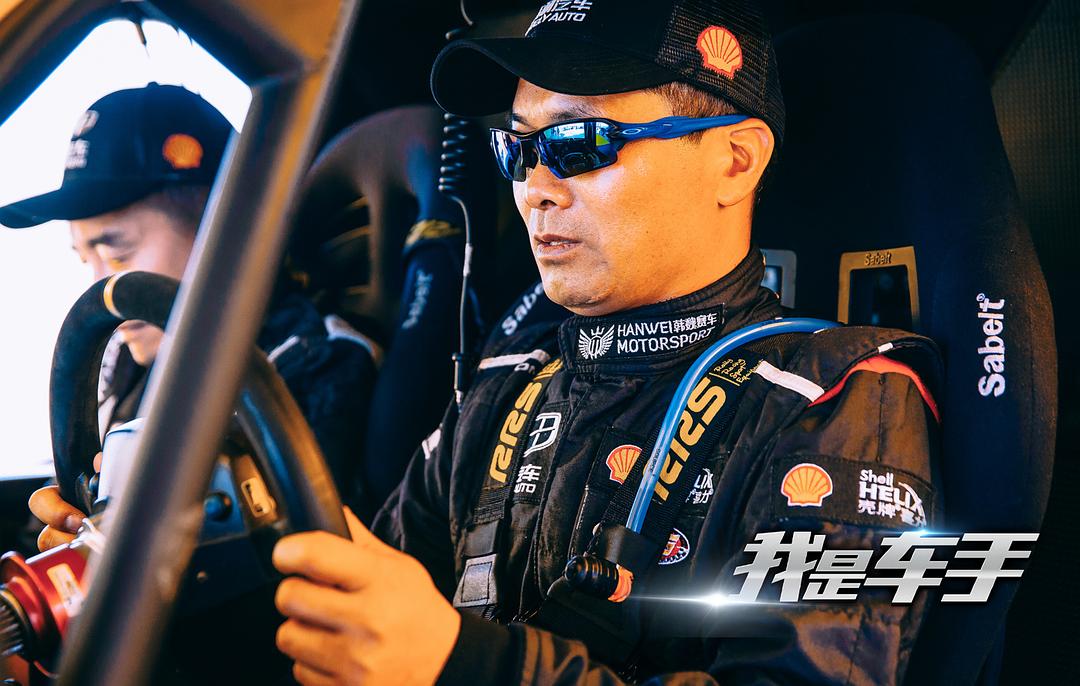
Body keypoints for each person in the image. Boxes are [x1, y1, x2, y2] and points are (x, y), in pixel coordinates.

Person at [268, 1, 942, 683]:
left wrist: (464, 662)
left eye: (580, 142)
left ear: (735, 162)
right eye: (517, 148)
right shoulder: (505, 388)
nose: (535, 188)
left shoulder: (841, 398)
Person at [1, 84, 378, 551]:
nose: (98, 286)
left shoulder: (314, 369)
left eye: (117, 253)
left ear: (220, 233)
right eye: (85, 260)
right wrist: (71, 532)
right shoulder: (125, 362)